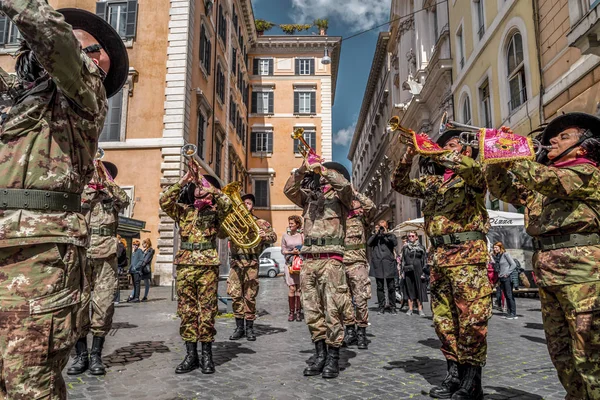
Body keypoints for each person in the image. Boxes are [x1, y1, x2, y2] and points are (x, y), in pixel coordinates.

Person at [0, 2, 128, 397]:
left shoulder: (88, 89)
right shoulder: (21, 92)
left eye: (88, 47)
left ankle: (96, 352)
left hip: (35, 255)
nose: (81, 50)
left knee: (25, 388)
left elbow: (50, 33)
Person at [485, 112, 600, 399]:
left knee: (590, 354)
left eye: (564, 136)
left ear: (583, 146)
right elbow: (503, 188)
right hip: (548, 273)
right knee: (561, 353)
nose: (552, 140)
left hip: (582, 273)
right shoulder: (542, 181)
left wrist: (514, 152)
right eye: (553, 136)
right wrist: (494, 155)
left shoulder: (587, 171)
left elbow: (547, 179)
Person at [392, 129, 492, 400]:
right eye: (442, 147)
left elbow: (471, 170)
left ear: (466, 150)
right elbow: (400, 184)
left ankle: (472, 382)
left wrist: (437, 150)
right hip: (439, 258)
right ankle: (454, 375)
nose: (444, 149)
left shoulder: (473, 173)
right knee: (444, 322)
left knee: (471, 320)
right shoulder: (434, 182)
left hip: (467, 257)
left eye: (452, 145)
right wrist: (410, 155)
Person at [284, 160, 352, 379]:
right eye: (321, 173)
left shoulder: (342, 197)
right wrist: (303, 169)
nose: (322, 177)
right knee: (312, 311)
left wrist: (324, 169)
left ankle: (333, 356)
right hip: (309, 260)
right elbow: (289, 190)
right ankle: (320, 353)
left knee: (333, 310)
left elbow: (344, 187)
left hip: (331, 259)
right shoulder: (309, 198)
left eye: (327, 174)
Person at [160, 167, 232, 375]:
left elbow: (228, 204)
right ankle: (191, 355)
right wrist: (183, 181)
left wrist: (212, 187)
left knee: (207, 311)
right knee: (187, 311)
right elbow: (164, 200)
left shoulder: (216, 212)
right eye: (198, 187)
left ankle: (207, 356)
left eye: (204, 187)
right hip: (185, 265)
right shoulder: (183, 210)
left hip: (207, 266)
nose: (200, 189)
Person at [68, 160, 130, 376]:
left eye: (100, 174)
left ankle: (96, 355)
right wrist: (89, 187)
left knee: (103, 308)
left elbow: (125, 199)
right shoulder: (81, 195)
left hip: (106, 259)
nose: (96, 176)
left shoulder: (112, 199)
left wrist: (107, 181)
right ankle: (81, 355)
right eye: (93, 173)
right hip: (82, 256)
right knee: (79, 307)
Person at [227, 192, 277, 341]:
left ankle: (249, 328)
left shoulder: (260, 222)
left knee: (250, 296)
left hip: (252, 264)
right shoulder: (233, 221)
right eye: (243, 203)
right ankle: (239, 327)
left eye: (248, 203)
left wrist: (264, 236)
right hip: (236, 263)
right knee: (235, 296)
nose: (246, 206)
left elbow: (274, 236)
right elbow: (222, 233)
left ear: (252, 206)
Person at [342, 190, 375, 350]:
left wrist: (355, 192)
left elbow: (371, 207)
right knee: (345, 301)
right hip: (340, 263)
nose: (351, 202)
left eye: (353, 200)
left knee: (361, 299)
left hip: (358, 263)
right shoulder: (338, 218)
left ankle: (361, 331)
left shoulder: (361, 217)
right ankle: (350, 331)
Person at [367, 220, 399, 315]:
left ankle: (393, 306)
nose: (381, 229)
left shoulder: (391, 235)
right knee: (380, 287)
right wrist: (376, 234)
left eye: (383, 227)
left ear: (387, 226)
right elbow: (369, 243)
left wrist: (386, 234)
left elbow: (395, 243)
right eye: (380, 227)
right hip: (378, 264)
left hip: (388, 263)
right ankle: (381, 306)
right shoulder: (376, 237)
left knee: (391, 287)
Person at [281, 215, 305, 322]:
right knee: (291, 288)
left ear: (297, 225)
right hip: (289, 264)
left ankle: (299, 312)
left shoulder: (302, 236)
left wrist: (299, 252)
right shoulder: (285, 236)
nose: (290, 225)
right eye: (289, 223)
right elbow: (283, 250)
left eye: (292, 223)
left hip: (300, 264)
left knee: (299, 288)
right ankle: (291, 312)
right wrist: (292, 252)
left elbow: (306, 248)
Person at [401, 231, 428, 316]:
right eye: (409, 236)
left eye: (412, 236)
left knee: (419, 289)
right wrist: (402, 271)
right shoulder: (405, 248)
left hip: (419, 270)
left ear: (416, 237)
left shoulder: (421, 247)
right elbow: (403, 260)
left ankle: (420, 309)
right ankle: (410, 309)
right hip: (408, 270)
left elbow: (424, 260)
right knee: (409, 289)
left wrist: (424, 272)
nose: (411, 237)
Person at [491, 242, 517, 319]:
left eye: (496, 247)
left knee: (509, 295)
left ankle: (513, 313)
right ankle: (509, 312)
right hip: (501, 278)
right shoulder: (498, 256)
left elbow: (513, 264)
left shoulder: (506, 254)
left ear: (500, 247)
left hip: (507, 277)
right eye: (494, 247)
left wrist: (507, 273)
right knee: (506, 295)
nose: (495, 249)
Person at [115, 236, 128, 304]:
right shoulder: (120, 246)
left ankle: (116, 299)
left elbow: (118, 255)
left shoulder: (120, 246)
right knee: (116, 282)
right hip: (119, 266)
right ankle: (116, 299)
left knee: (116, 282)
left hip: (118, 266)